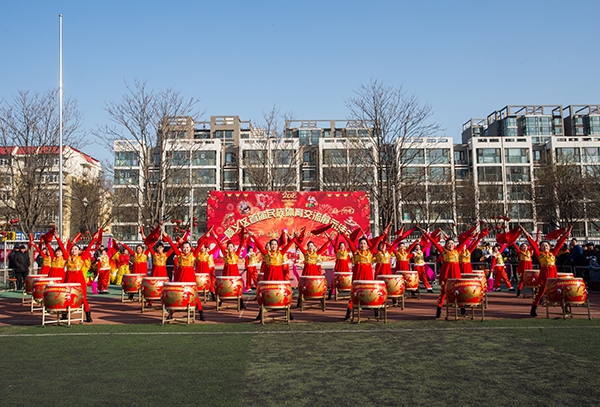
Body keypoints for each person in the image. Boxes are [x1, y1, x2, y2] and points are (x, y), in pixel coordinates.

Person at [521, 225, 571, 317]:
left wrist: (567, 234)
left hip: (553, 277)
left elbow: (560, 243)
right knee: (540, 293)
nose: (545, 247)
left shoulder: (553, 253)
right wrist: (526, 234)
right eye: (543, 246)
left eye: (546, 245)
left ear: (549, 246)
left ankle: (564, 309)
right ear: (540, 247)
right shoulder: (539, 254)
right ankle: (533, 308)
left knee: (558, 292)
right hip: (544, 277)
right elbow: (532, 243)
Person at [420, 228, 471, 318]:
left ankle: (463, 310)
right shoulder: (443, 252)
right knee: (443, 293)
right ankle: (438, 311)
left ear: (454, 245)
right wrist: (427, 235)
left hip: (456, 276)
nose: (450, 245)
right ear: (445, 245)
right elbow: (434, 243)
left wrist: (471, 235)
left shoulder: (457, 251)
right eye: (448, 243)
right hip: (446, 276)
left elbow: (464, 242)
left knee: (459, 292)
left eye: (452, 243)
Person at [57, 231, 100, 322]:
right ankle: (64, 315)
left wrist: (94, 239)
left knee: (82, 297)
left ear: (79, 251)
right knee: (66, 296)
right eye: (72, 249)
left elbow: (88, 248)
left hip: (79, 279)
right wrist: (57, 238)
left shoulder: (82, 257)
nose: (73, 250)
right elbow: (62, 248)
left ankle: (88, 315)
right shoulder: (67, 257)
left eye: (76, 249)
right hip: (69, 278)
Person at [163, 233, 206, 321]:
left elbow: (199, 246)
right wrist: (167, 236)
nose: (186, 249)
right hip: (180, 279)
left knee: (194, 296)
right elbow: (172, 245)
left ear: (190, 248)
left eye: (187, 247)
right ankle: (171, 314)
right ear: (181, 248)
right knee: (177, 295)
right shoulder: (179, 255)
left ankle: (201, 313)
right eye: (184, 247)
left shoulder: (193, 255)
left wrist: (206, 237)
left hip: (190, 279)